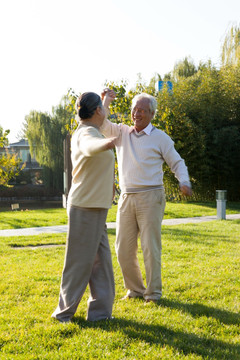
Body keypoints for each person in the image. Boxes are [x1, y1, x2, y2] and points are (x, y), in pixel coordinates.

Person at [101, 90, 192, 303]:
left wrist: (184, 181)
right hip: (126, 197)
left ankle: (153, 293)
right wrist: (106, 100)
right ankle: (135, 290)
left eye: (142, 110)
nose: (137, 114)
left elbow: (177, 163)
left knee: (150, 247)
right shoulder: (122, 132)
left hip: (151, 196)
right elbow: (102, 123)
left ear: (152, 114)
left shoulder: (160, 138)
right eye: (134, 109)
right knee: (123, 248)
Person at [52, 91, 117, 322]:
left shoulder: (95, 128)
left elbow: (101, 121)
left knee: (102, 265)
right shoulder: (85, 134)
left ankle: (100, 314)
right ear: (97, 111)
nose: (105, 111)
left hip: (96, 208)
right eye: (103, 108)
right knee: (79, 264)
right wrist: (109, 143)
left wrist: (105, 100)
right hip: (84, 208)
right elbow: (91, 147)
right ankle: (63, 313)